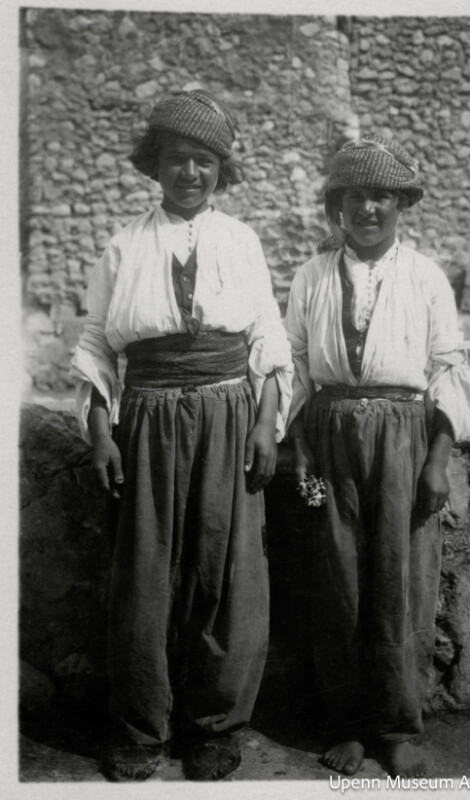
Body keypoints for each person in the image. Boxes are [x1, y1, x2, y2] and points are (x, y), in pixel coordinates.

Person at [70, 90, 293, 782]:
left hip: (229, 412)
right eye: (176, 159)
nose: (189, 173)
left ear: (219, 171)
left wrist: (265, 424)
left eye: (203, 161)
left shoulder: (241, 241)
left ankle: (216, 727)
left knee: (229, 572)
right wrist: (102, 434)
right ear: (155, 166)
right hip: (149, 416)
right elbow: (96, 347)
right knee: (145, 571)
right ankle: (142, 729)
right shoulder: (123, 245)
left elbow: (268, 339)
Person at [285, 135, 470, 779]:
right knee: (337, 579)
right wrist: (303, 446)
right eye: (356, 196)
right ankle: (345, 724)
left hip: (405, 435)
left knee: (403, 582)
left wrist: (437, 458)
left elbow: (447, 365)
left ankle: (396, 726)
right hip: (331, 433)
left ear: (401, 205)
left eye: (383, 196)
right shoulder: (312, 276)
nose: (369, 208)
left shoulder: (424, 276)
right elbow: (295, 369)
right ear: (337, 206)